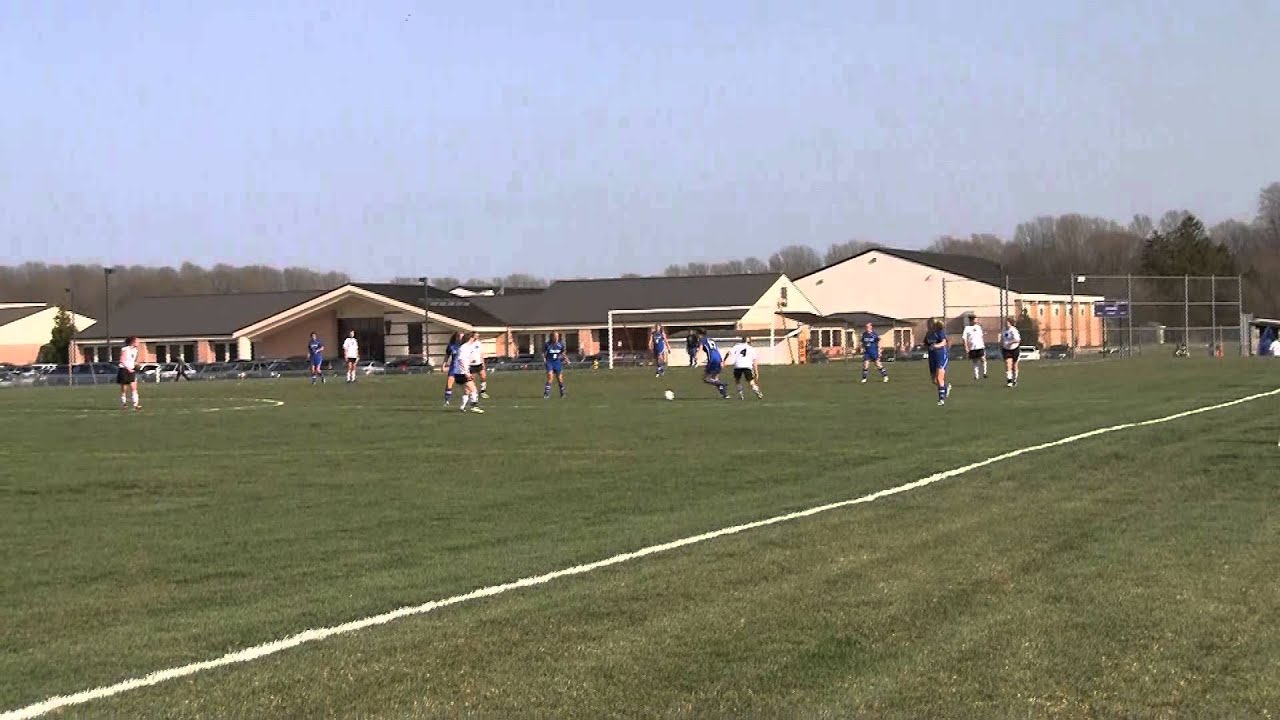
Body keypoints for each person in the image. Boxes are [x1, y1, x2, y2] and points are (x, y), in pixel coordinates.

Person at [455, 332, 485, 413]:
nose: (474, 338)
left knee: (466, 391)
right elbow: (461, 360)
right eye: (473, 337)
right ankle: (474, 407)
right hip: (462, 373)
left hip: (459, 372)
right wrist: (466, 372)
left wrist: (470, 360)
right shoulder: (464, 347)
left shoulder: (467, 347)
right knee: (473, 390)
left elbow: (464, 359)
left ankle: (462, 407)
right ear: (470, 338)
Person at [924, 320, 951, 406]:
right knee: (934, 380)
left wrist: (936, 346)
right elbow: (926, 343)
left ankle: (941, 400)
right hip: (932, 357)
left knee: (939, 379)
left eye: (929, 323)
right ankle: (945, 387)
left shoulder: (939, 331)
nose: (928, 325)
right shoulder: (928, 333)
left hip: (941, 356)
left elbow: (944, 342)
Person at [696, 331, 730, 399]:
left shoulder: (703, 340)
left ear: (700, 335)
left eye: (697, 335)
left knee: (705, 379)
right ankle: (725, 395)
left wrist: (696, 358)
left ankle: (721, 384)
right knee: (715, 379)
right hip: (719, 359)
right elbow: (716, 349)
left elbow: (700, 349)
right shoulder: (711, 340)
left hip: (712, 360)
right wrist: (722, 361)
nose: (697, 337)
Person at [116, 336, 141, 411]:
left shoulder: (136, 350)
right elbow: (122, 360)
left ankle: (136, 404)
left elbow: (133, 360)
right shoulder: (125, 349)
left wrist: (136, 364)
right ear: (132, 342)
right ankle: (124, 404)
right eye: (137, 341)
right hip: (124, 369)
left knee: (134, 387)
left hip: (131, 370)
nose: (138, 342)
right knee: (124, 388)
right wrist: (128, 368)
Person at [962, 315, 987, 380]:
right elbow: (964, 338)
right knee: (975, 361)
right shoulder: (967, 328)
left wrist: (983, 344)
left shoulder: (979, 327)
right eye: (975, 319)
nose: (976, 321)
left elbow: (981, 336)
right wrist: (966, 347)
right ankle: (976, 375)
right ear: (971, 320)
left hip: (980, 346)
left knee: (983, 359)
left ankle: (985, 373)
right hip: (972, 347)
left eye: (976, 319)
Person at [543, 331, 567, 399]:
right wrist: (544, 359)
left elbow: (562, 353)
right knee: (550, 377)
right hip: (549, 362)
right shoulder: (547, 344)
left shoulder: (560, 345)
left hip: (557, 363)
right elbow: (543, 353)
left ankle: (562, 393)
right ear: (552, 337)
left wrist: (566, 359)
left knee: (560, 379)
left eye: (557, 336)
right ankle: (546, 394)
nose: (556, 338)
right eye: (555, 336)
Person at [1000, 317, 1021, 387]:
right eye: (1005, 322)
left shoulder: (1013, 330)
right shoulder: (1003, 330)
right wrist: (1001, 344)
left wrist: (1009, 342)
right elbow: (1002, 338)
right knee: (1008, 364)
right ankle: (1009, 381)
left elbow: (1017, 340)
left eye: (1007, 322)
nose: (1006, 324)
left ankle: (1015, 379)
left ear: (1010, 323)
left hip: (1014, 349)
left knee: (1014, 366)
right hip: (1006, 350)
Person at [442, 332, 462, 405]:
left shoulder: (465, 346)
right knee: (449, 383)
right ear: (456, 337)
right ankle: (447, 400)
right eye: (460, 336)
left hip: (463, 368)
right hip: (453, 368)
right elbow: (447, 356)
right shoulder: (451, 346)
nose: (461, 338)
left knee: (466, 385)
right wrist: (443, 366)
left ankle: (469, 400)